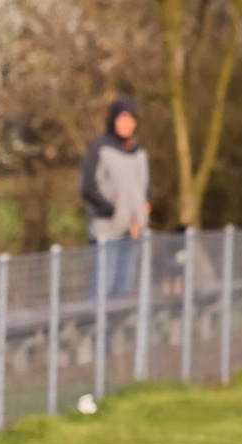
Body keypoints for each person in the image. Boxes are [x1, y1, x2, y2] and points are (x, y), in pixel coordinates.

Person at [79, 96, 151, 299]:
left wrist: (141, 215)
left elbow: (144, 187)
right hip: (107, 232)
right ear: (113, 120)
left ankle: (113, 331)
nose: (126, 123)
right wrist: (110, 210)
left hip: (133, 232)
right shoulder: (98, 148)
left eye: (130, 119)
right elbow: (87, 187)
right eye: (122, 118)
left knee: (123, 291)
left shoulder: (139, 152)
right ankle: (94, 330)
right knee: (102, 287)